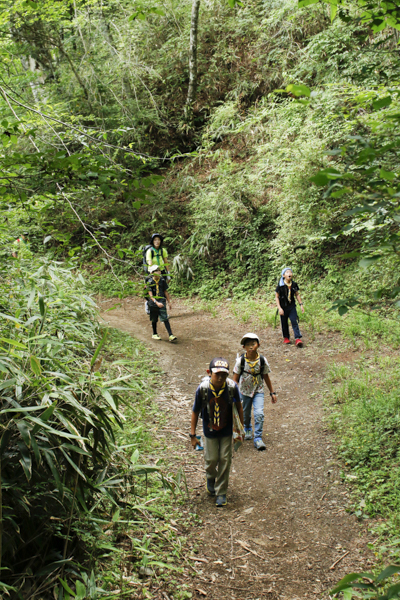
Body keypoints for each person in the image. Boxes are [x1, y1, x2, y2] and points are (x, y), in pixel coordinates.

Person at [190, 357, 243, 507]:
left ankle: (221, 492)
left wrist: (240, 430)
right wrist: (193, 435)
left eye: (224, 375)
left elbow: (239, 407)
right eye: (216, 374)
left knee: (225, 460)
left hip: (226, 431)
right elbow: (195, 411)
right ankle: (211, 477)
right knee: (211, 460)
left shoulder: (232, 387)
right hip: (210, 432)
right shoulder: (203, 389)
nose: (220, 378)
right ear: (209, 373)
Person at [232, 333, 277, 451]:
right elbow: (235, 380)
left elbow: (266, 376)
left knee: (259, 414)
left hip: (258, 391)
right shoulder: (241, 361)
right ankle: (247, 427)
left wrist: (272, 392)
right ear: (244, 347)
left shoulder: (262, 360)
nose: (251, 347)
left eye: (253, 344)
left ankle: (258, 438)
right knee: (245, 413)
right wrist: (234, 394)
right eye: (248, 345)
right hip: (244, 391)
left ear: (258, 345)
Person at [146, 265, 177, 342]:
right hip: (153, 302)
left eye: (158, 270)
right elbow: (150, 296)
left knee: (165, 318)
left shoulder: (162, 280)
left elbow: (165, 291)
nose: (158, 272)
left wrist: (169, 302)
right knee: (154, 318)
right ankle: (155, 334)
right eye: (156, 270)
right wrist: (156, 303)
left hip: (161, 301)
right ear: (152, 273)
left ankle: (170, 335)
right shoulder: (149, 282)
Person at [275, 267, 305, 347]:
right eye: (287, 272)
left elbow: (297, 294)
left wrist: (301, 304)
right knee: (284, 323)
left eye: (290, 272)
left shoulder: (294, 284)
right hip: (283, 307)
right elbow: (277, 297)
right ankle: (286, 337)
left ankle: (298, 338)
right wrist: (279, 308)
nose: (289, 274)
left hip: (291, 307)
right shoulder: (280, 286)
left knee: (294, 321)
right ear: (283, 275)